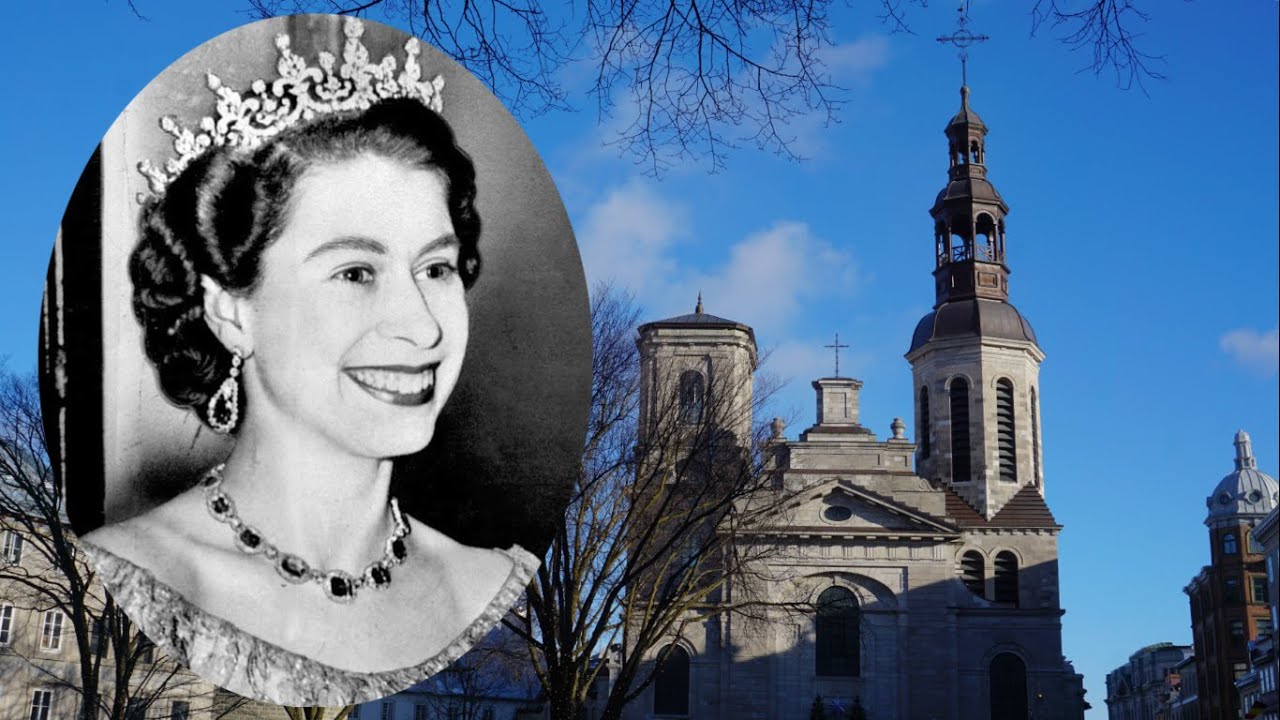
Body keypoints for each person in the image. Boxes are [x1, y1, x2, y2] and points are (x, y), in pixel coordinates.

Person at [78, 18, 539, 707]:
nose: (421, 326)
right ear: (233, 311)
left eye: (437, 268)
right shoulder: (133, 574)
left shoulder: (498, 584)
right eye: (355, 272)